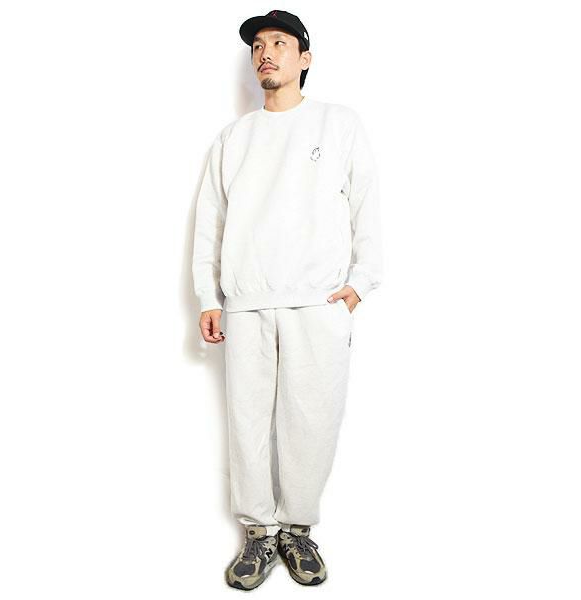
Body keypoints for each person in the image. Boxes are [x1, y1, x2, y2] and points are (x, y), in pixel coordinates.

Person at [191, 9, 383, 590]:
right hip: (247, 302)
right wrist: (207, 296)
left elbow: (366, 205)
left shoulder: (338, 123)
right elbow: (210, 222)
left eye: (279, 43)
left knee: (312, 421)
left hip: (318, 302)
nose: (265, 53)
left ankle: (297, 529)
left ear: (304, 57)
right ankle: (259, 534)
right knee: (247, 423)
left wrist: (360, 283)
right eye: (257, 46)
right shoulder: (234, 138)